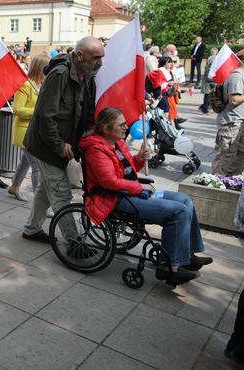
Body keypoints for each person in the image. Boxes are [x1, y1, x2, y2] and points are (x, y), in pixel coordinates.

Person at [79, 107, 212, 282]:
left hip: (127, 191)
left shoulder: (118, 143)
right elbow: (109, 182)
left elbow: (127, 171)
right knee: (177, 212)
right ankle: (170, 266)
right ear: (106, 129)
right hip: (112, 197)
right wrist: (139, 189)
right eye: (121, 125)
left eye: (125, 123)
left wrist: (140, 158)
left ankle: (186, 253)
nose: (126, 127)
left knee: (185, 200)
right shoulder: (96, 149)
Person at [22, 37, 103, 242]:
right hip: (46, 146)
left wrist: (89, 136)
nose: (100, 62)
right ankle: (74, 243)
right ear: (79, 56)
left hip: (65, 146)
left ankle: (31, 229)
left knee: (45, 189)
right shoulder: (59, 75)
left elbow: (88, 113)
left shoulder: (88, 77)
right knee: (61, 194)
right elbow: (44, 116)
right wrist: (59, 144)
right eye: (96, 58)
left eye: (102, 58)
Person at [8, 54, 49, 201]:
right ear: (40, 69)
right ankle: (40, 202)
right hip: (25, 132)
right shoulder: (25, 85)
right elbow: (17, 109)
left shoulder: (42, 84)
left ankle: (14, 187)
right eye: (47, 68)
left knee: (25, 162)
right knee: (37, 166)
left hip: (34, 132)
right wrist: (38, 112)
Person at [212, 50, 244, 176]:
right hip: (231, 122)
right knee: (226, 154)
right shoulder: (237, 76)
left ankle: (231, 182)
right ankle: (215, 183)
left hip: (238, 121)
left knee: (240, 154)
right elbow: (234, 99)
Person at [199, 47, 218, 114]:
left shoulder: (211, 58)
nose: (214, 53)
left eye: (215, 52)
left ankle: (204, 107)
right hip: (209, 79)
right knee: (208, 95)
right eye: (213, 52)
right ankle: (204, 108)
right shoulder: (212, 59)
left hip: (210, 79)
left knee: (210, 95)